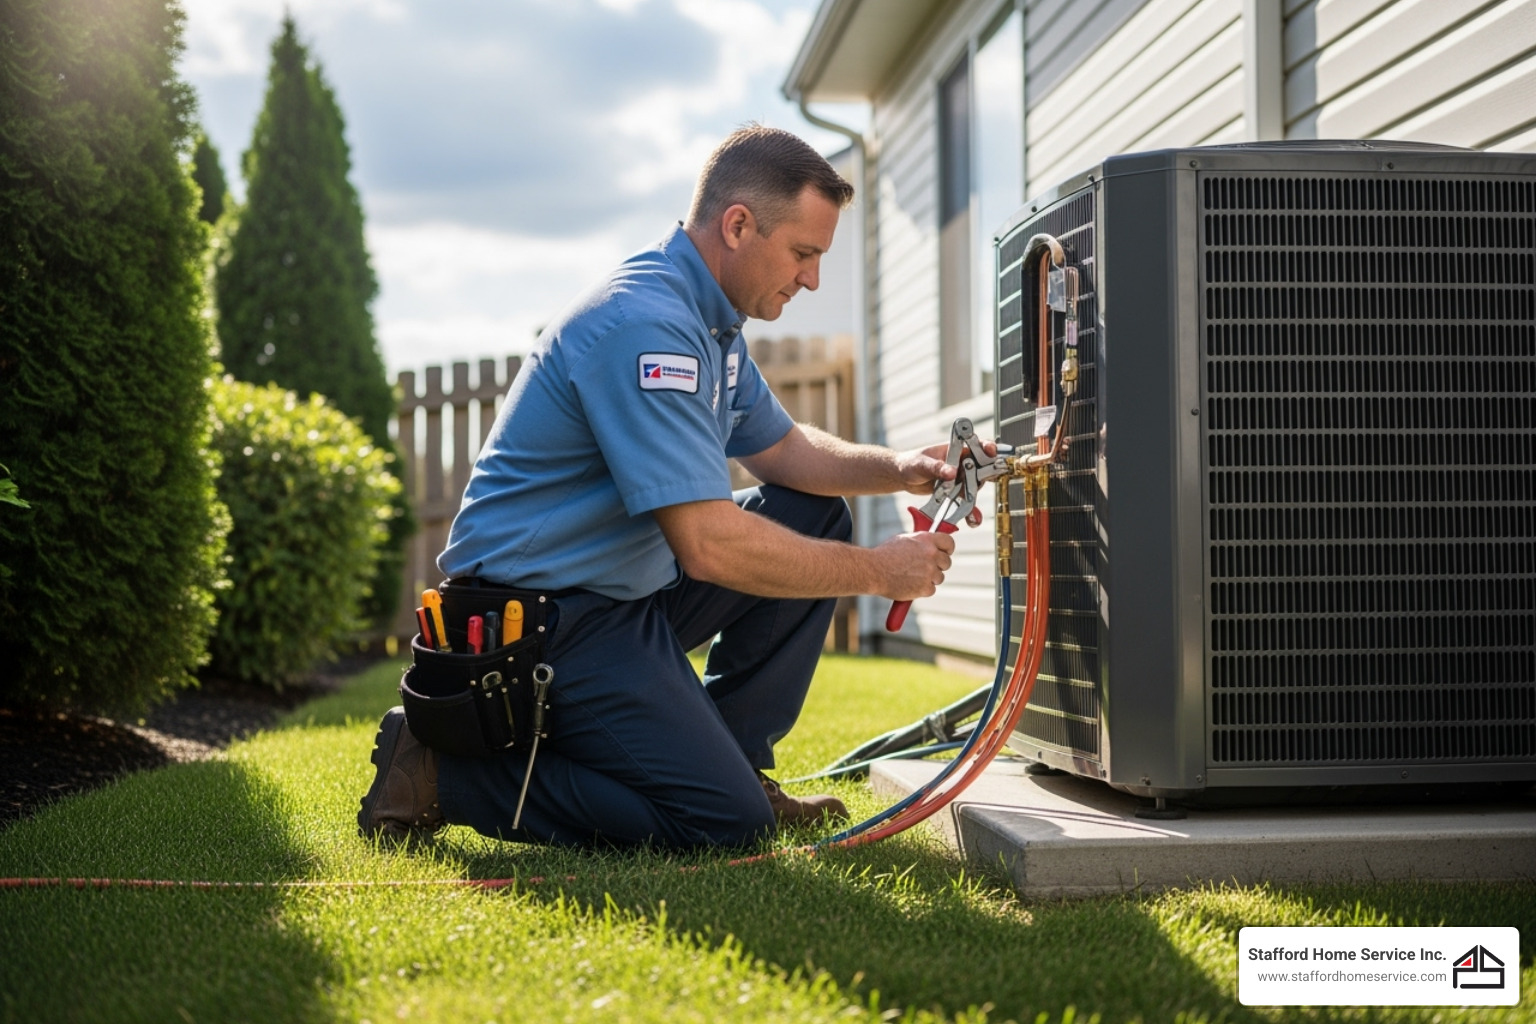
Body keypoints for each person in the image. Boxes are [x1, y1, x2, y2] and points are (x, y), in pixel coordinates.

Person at [358, 125, 961, 849]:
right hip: (541, 622)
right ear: (738, 225)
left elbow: (787, 452)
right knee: (720, 824)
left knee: (814, 516)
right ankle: (439, 774)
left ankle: (734, 761)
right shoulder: (646, 326)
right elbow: (707, 545)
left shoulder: (711, 327)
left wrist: (901, 467)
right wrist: (879, 571)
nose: (812, 279)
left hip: (618, 593)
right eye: (805, 253)